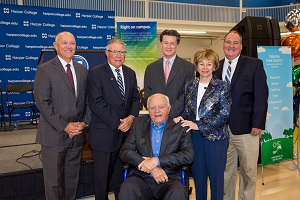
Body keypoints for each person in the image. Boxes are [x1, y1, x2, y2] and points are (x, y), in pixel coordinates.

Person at [34, 31, 90, 200]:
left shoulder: (82, 70)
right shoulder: (45, 69)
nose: (68, 46)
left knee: (72, 180)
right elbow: (43, 102)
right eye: (64, 43)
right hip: (54, 135)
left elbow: (88, 100)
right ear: (55, 46)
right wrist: (64, 126)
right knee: (54, 182)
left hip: (77, 136)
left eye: (72, 43)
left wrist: (84, 123)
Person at [214, 30, 268, 200]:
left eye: (235, 43)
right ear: (223, 45)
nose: (231, 46)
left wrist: (258, 123)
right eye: (228, 42)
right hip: (222, 131)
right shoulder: (216, 67)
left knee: (249, 171)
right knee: (225, 172)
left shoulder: (254, 64)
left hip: (247, 129)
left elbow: (261, 95)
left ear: (241, 46)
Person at [174, 48, 231, 200]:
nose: (205, 68)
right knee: (199, 179)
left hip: (216, 140)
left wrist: (199, 125)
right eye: (201, 64)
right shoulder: (190, 86)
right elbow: (187, 111)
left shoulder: (222, 86)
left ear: (214, 66)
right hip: (195, 139)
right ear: (196, 65)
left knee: (216, 181)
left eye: (209, 64)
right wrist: (181, 118)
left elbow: (224, 114)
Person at [87, 38, 140, 200]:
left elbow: (136, 99)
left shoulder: (130, 73)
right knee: (102, 180)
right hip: (104, 136)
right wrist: (119, 123)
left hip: (125, 138)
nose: (118, 55)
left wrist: (131, 117)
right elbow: (96, 103)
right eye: (114, 51)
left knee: (122, 177)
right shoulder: (95, 73)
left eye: (121, 52)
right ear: (107, 53)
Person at [119, 93, 194, 200]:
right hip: (141, 177)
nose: (157, 111)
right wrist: (152, 167)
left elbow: (188, 155)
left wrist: (157, 161)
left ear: (169, 108)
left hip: (169, 178)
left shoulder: (180, 127)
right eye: (153, 107)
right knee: (127, 188)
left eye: (161, 107)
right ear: (148, 110)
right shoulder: (138, 123)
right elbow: (125, 151)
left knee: (178, 193)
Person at [144, 29, 195, 118]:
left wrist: (170, 112)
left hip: (178, 118)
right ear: (161, 44)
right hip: (156, 118)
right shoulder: (151, 68)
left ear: (177, 45)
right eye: (166, 43)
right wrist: (158, 112)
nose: (168, 46)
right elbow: (148, 93)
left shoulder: (188, 67)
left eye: (172, 43)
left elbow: (187, 94)